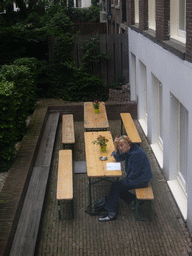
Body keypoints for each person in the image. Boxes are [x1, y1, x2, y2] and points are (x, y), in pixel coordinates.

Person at [98, 135, 153, 222]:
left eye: (122, 145)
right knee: (118, 187)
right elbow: (118, 158)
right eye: (119, 146)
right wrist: (115, 147)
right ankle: (135, 200)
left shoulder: (136, 154)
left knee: (116, 187)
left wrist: (125, 180)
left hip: (141, 179)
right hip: (137, 176)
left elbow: (135, 173)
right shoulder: (129, 149)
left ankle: (111, 213)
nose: (121, 148)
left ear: (128, 143)